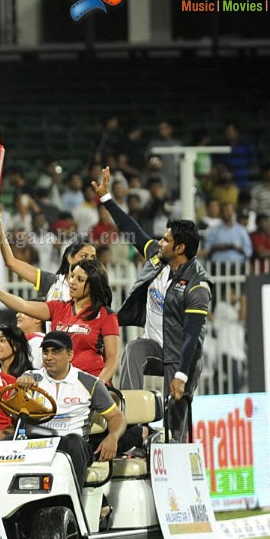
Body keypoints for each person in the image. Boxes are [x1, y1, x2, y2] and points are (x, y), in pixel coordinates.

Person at [91, 166, 211, 442]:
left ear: (180, 248)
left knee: (175, 419)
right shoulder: (158, 258)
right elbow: (131, 228)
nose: (160, 241)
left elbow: (192, 336)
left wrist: (181, 375)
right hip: (156, 347)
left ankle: (177, 452)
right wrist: (106, 198)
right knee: (134, 349)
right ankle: (132, 429)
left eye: (166, 239)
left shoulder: (197, 286)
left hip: (182, 356)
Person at [14, 331, 125, 496]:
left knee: (73, 441)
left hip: (74, 445)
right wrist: (21, 387)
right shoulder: (31, 378)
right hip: (40, 443)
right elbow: (13, 409)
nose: (49, 357)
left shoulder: (90, 383)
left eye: (56, 352)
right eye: (45, 352)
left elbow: (116, 416)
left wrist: (113, 437)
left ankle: (73, 502)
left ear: (70, 354)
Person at [0, 258, 120, 385]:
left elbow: (112, 357)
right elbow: (23, 305)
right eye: (72, 277)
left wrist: (98, 385)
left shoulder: (106, 315)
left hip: (89, 385)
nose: (72, 282)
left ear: (93, 284)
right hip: (58, 385)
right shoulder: (58, 308)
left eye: (80, 279)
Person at [0, 226, 96, 302]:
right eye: (84, 256)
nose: (89, 261)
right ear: (70, 258)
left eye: (93, 257)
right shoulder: (52, 282)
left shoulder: (96, 288)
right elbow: (11, 262)